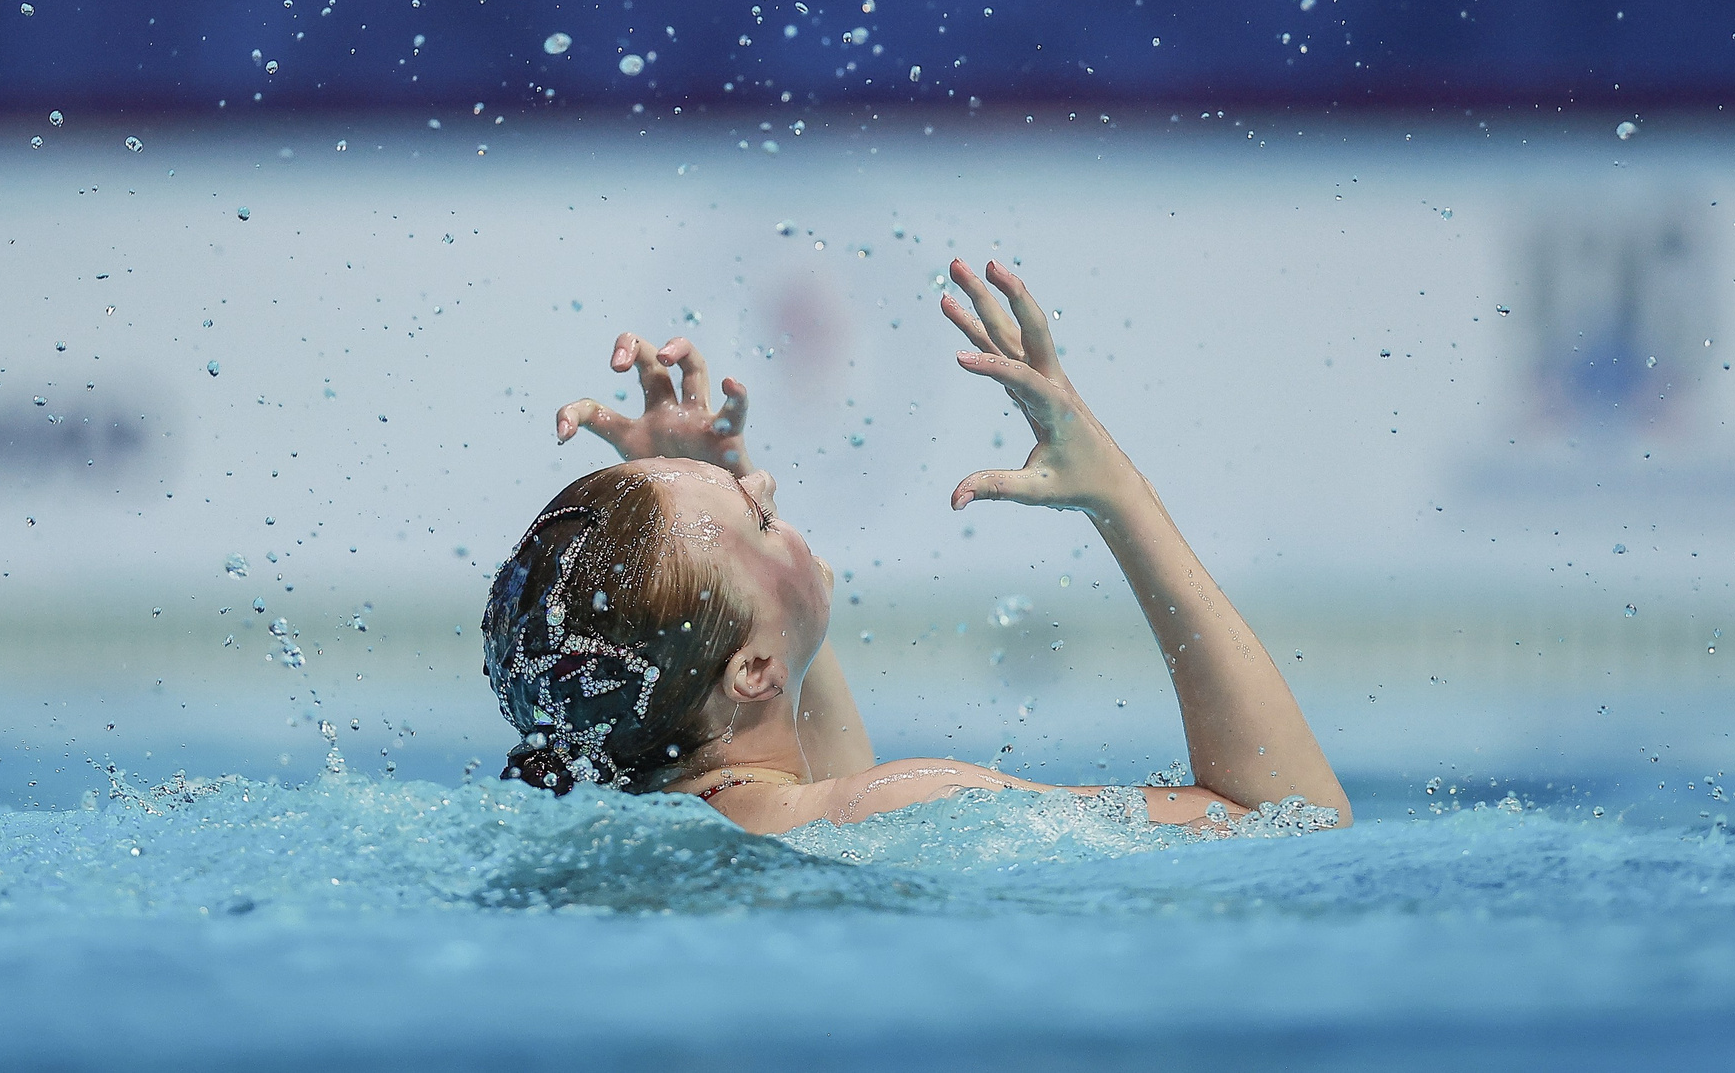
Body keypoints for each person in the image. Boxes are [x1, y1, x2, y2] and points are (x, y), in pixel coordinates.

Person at [481, 257, 1351, 835]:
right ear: (751, 673)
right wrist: (1117, 494)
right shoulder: (909, 803)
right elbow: (1295, 822)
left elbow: (821, 779)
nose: (766, 484)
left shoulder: (668, 818)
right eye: (751, 514)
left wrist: (702, 505)